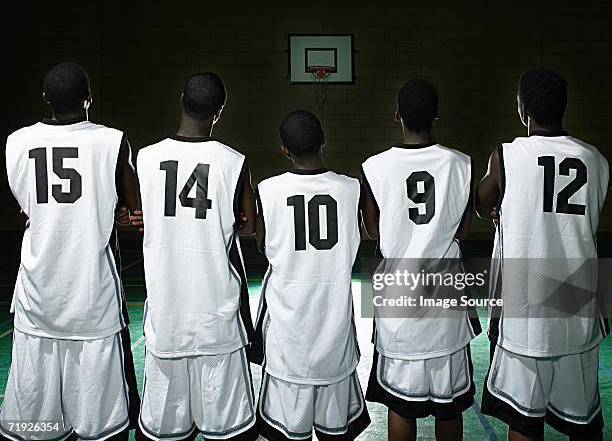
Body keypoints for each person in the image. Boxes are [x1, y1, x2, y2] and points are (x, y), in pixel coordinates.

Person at [1, 62, 141, 440]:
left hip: (36, 294)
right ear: (89, 98)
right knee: (100, 423)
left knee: (35, 417)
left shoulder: (17, 141)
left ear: (45, 98)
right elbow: (134, 206)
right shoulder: (112, 140)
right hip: (91, 295)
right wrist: (117, 211)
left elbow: (24, 205)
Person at [477, 68, 609, 441]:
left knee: (522, 420)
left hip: (527, 312)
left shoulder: (506, 156)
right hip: (578, 305)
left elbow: (480, 203)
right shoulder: (596, 160)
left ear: (522, 109)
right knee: (583, 424)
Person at [133, 72, 258, 441]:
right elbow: (248, 225)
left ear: (181, 99)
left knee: (167, 434)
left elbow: (137, 214)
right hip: (216, 318)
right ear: (218, 112)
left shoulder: (146, 158)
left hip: (166, 318)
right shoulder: (233, 161)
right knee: (229, 433)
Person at [361, 78, 479, 441]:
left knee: (401, 406)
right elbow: (462, 229)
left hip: (399, 296)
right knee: (450, 406)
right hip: (445, 296)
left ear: (397, 115)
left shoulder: (374, 167)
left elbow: (372, 230)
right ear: (436, 115)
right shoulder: (462, 163)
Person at [253, 110, 370, 441]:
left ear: (284, 150)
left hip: (287, 341)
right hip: (335, 339)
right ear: (324, 137)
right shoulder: (352, 189)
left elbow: (262, 244)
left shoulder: (268, 190)